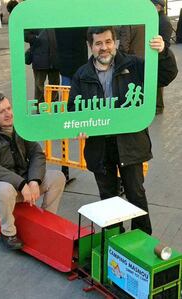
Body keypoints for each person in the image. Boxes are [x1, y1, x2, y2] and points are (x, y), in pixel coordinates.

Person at [67, 26, 177, 235]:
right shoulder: (82, 75)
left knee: (136, 193)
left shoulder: (133, 65)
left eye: (108, 42)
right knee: (108, 196)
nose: (104, 48)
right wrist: (79, 126)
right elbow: (73, 108)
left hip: (130, 142)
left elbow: (166, 76)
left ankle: (142, 239)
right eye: (98, 43)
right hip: (99, 145)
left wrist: (163, 52)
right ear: (90, 46)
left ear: (115, 42)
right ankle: (114, 240)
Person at [0, 93, 66, 250]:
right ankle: (8, 233)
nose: (8, 114)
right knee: (5, 189)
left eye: (9, 108)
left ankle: (47, 220)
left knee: (57, 177)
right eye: (1, 111)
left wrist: (34, 180)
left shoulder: (19, 126)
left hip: (24, 183)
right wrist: (21, 183)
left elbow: (36, 154)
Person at [151, 0, 174, 114]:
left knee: (157, 84)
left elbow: (165, 42)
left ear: (158, 6)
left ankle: (158, 107)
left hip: (160, 55)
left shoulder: (163, 21)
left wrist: (161, 51)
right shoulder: (159, 19)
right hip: (158, 54)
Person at [25, 29, 59, 103]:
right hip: (39, 58)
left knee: (55, 85)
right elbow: (25, 34)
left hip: (55, 57)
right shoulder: (33, 19)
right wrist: (35, 38)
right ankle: (39, 106)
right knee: (39, 86)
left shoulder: (56, 18)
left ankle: (54, 105)